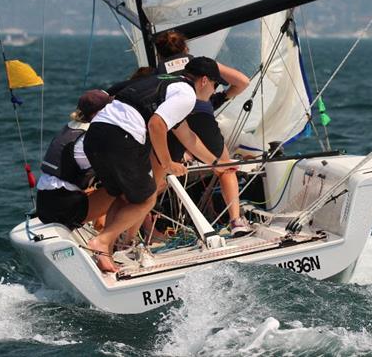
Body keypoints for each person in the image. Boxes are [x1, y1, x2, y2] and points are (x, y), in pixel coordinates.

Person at [83, 56, 224, 272]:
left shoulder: (168, 82)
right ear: (205, 80)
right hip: (121, 138)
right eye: (216, 85)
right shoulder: (187, 95)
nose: (214, 91)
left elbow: (187, 136)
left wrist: (216, 163)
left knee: (124, 196)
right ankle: (101, 242)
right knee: (147, 198)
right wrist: (168, 164)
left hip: (96, 135)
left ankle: (105, 253)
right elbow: (156, 125)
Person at [154, 30, 251, 236]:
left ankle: (143, 233)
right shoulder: (199, 64)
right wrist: (219, 99)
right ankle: (236, 221)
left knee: (158, 177)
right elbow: (243, 81)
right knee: (225, 167)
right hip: (201, 115)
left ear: (159, 53)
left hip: (172, 120)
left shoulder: (158, 71)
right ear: (186, 48)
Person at [35, 90, 113, 229]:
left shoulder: (70, 128)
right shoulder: (90, 137)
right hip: (64, 209)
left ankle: (102, 228)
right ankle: (108, 239)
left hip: (44, 204)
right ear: (96, 114)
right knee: (126, 190)